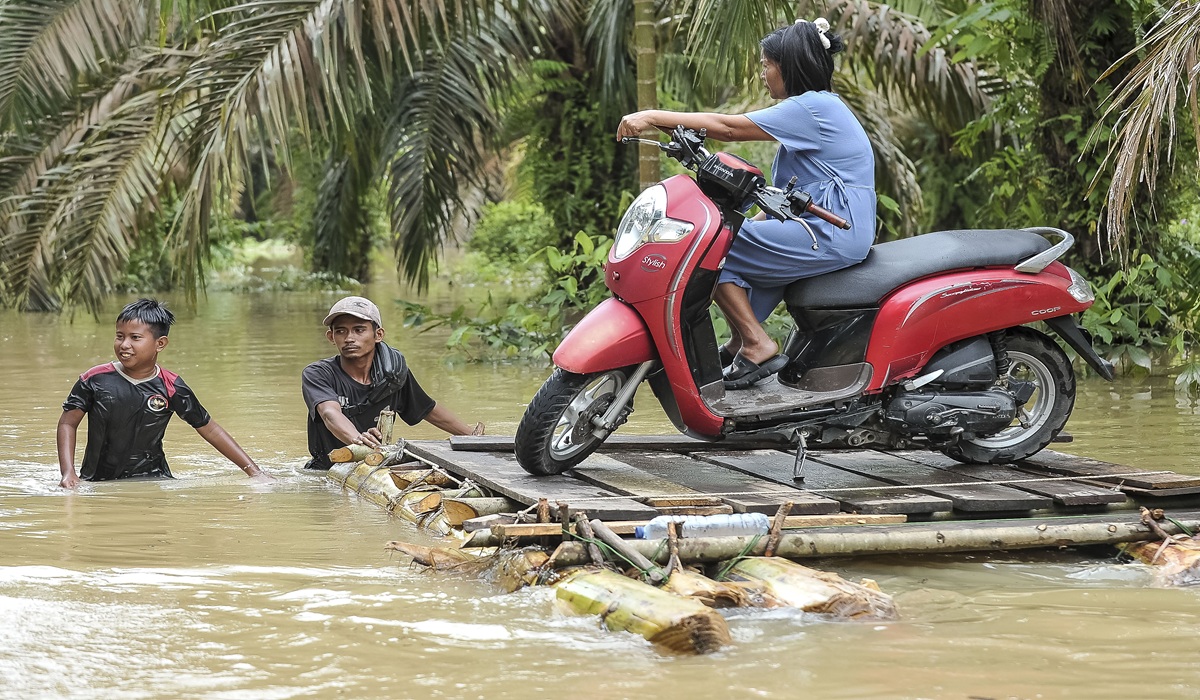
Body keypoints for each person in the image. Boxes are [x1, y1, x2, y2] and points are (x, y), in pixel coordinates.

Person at [616, 17, 875, 388]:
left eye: (766, 65)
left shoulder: (813, 108)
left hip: (831, 230)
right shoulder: (817, 109)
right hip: (824, 226)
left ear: (790, 67)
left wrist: (652, 117)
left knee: (708, 245)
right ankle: (743, 340)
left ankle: (757, 343)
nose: (763, 74)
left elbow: (729, 128)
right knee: (728, 241)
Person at [57, 299, 269, 488]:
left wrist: (254, 472)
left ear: (160, 343)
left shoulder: (171, 386)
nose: (124, 345)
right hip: (97, 482)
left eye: (135, 337)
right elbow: (68, 423)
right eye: (119, 336)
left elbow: (210, 429)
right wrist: (68, 472)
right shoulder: (94, 379)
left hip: (155, 481)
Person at [301, 296, 481, 470]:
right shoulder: (318, 374)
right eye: (341, 331)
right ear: (331, 337)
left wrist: (473, 438)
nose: (349, 338)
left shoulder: (393, 376)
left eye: (359, 330)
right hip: (327, 471)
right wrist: (359, 440)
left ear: (378, 335)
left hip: (375, 466)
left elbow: (428, 409)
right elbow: (329, 413)